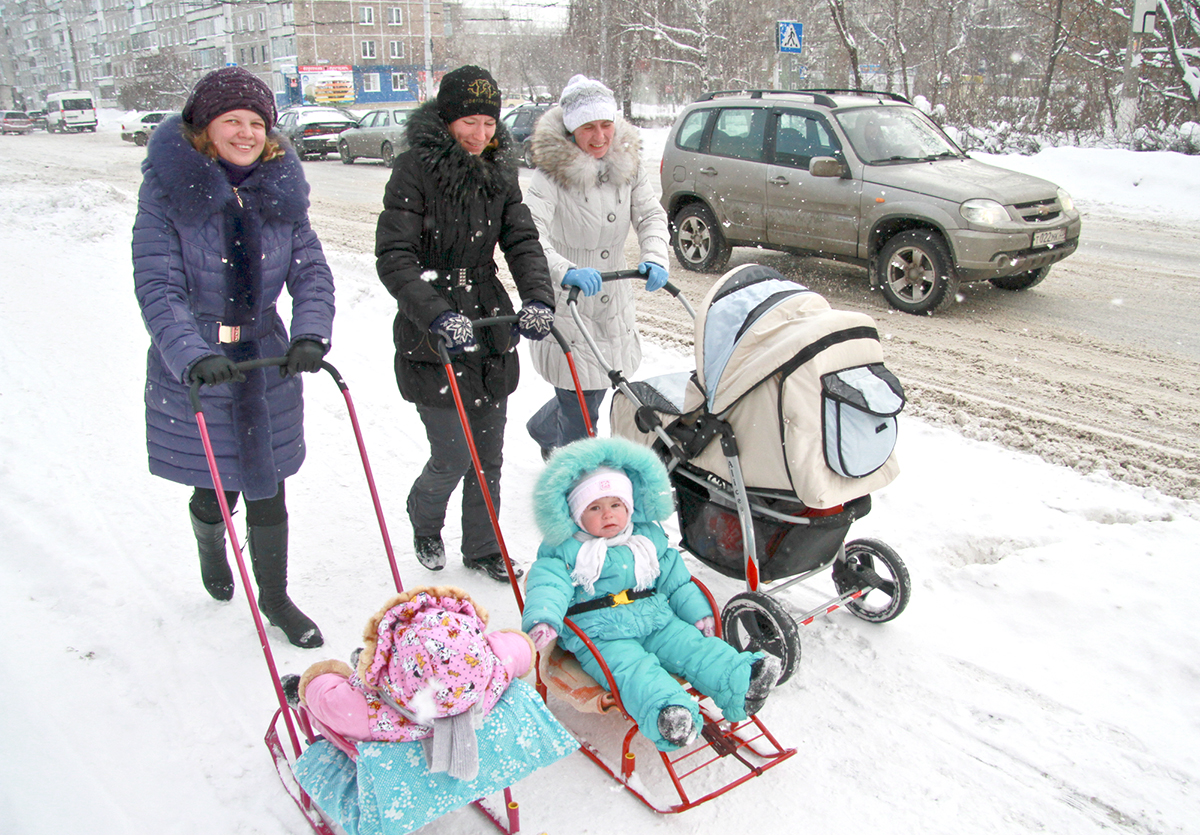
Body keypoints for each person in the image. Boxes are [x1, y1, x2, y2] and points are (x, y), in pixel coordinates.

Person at [132, 66, 335, 648]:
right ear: (205, 128)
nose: (245, 132)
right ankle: (209, 538)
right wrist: (192, 356)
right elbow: (159, 286)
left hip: (266, 357)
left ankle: (274, 597)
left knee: (267, 479)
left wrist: (310, 334)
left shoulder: (280, 189)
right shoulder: (169, 194)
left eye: (255, 122)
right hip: (199, 361)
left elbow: (311, 270)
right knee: (217, 480)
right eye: (231, 121)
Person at [376, 65, 556, 582]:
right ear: (447, 119)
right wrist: (437, 312)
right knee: (454, 453)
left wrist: (538, 298)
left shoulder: (500, 169)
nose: (481, 135)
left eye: (488, 123)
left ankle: (482, 547)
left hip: (487, 321)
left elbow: (521, 241)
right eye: (469, 122)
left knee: (489, 454)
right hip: (430, 330)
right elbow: (394, 257)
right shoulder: (414, 168)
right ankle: (424, 515)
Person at [521, 437, 781, 751]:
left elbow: (676, 581)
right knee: (633, 671)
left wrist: (697, 614)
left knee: (693, 647)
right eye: (595, 507)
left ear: (629, 506)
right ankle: (669, 715)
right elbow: (548, 584)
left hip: (655, 616)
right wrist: (544, 619)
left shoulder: (646, 538)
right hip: (601, 632)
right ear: (576, 514)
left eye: (616, 505)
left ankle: (740, 681)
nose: (609, 515)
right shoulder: (566, 549)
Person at [522, 75, 670, 459]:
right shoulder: (549, 177)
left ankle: (542, 427)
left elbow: (651, 215)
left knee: (600, 384)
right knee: (582, 415)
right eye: (589, 126)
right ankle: (578, 484)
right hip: (569, 298)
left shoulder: (629, 166)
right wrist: (564, 268)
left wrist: (655, 254)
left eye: (606, 124)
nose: (600, 135)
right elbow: (529, 234)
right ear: (572, 130)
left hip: (613, 298)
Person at [282, 586, 535, 778]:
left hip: (397, 742)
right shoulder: (492, 670)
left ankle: (364, 667)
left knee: (329, 705)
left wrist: (317, 679)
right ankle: (375, 661)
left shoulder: (370, 713)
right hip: (468, 704)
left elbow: (329, 702)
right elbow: (518, 648)